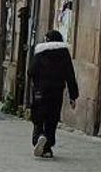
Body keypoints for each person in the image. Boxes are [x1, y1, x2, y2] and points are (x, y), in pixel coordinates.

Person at [28, 29, 79, 158]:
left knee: (38, 117)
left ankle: (39, 137)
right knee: (52, 118)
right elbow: (70, 75)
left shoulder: (40, 52)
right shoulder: (63, 53)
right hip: (56, 91)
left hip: (40, 90)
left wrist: (37, 82)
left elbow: (31, 71)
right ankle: (47, 145)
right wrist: (73, 96)